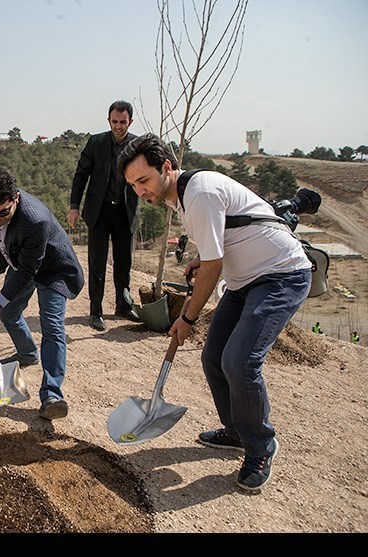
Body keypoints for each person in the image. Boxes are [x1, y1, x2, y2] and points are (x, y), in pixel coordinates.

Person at [118, 133, 312, 491]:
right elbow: (222, 240)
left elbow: (214, 264)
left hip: (280, 276)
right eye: (133, 185)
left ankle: (261, 446)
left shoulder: (200, 193)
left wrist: (188, 316)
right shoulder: (181, 196)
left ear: (166, 167)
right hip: (244, 283)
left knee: (240, 361)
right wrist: (199, 259)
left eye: (143, 180)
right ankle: (237, 431)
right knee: (214, 357)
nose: (140, 191)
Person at [0, 167, 85, 420]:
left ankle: (52, 394)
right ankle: (27, 353)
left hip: (52, 270)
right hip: (22, 263)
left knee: (52, 327)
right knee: (11, 313)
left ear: (15, 198)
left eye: (3, 213)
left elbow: (29, 270)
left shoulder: (34, 219)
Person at [69, 100, 141, 331]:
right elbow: (81, 175)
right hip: (99, 212)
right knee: (97, 263)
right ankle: (96, 311)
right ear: (108, 120)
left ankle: (123, 305)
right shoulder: (96, 142)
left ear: (131, 121)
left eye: (123, 122)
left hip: (125, 211)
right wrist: (73, 206)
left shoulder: (138, 145)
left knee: (124, 263)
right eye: (114, 121)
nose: (118, 126)